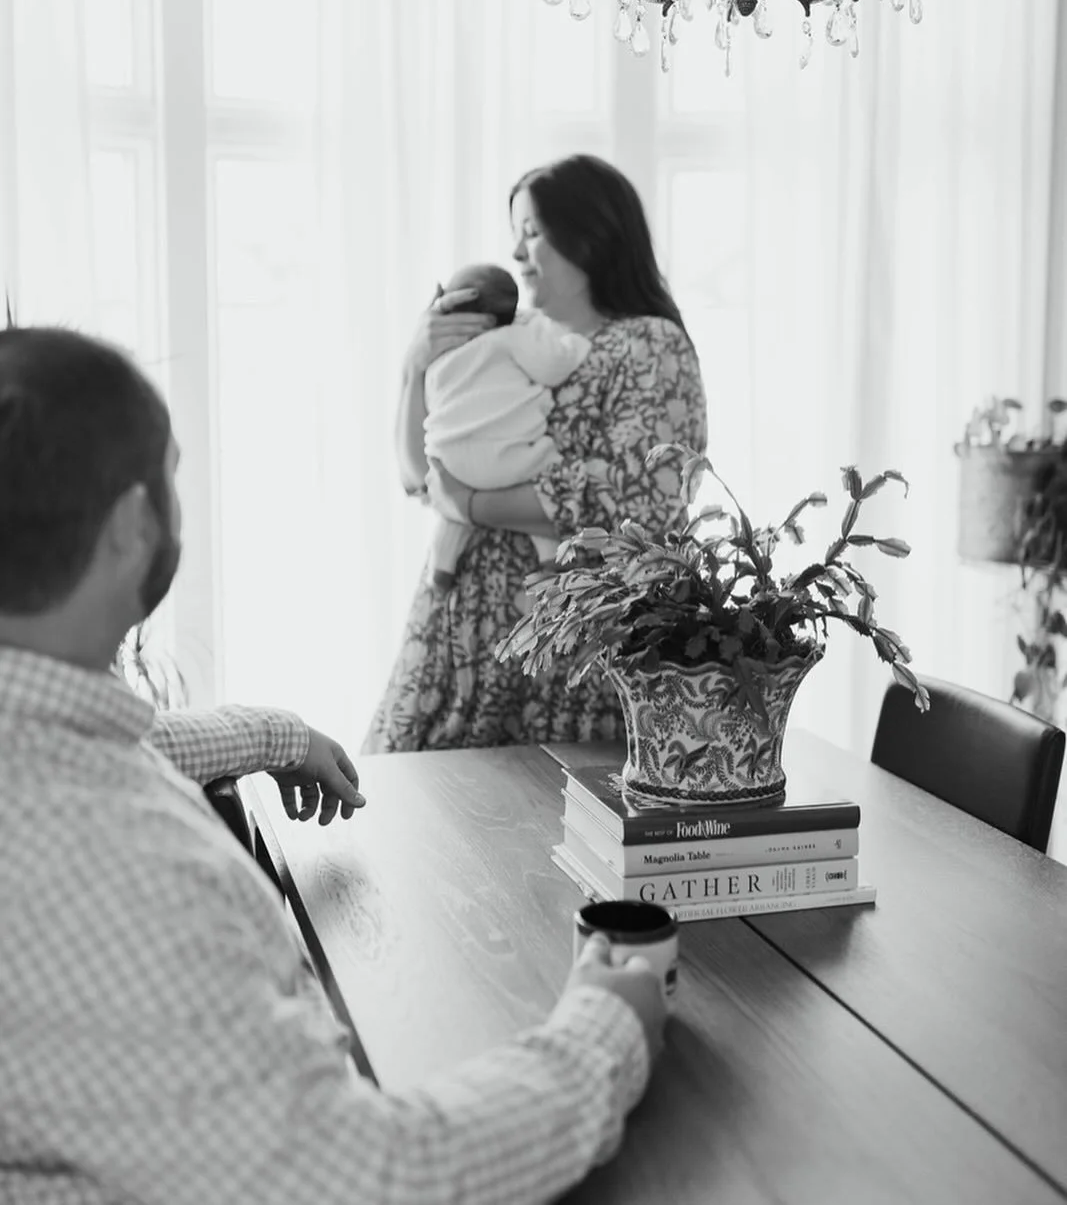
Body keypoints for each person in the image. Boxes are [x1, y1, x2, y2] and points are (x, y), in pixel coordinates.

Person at [0, 324, 666, 1205]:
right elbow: (378, 1178)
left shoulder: (41, 746)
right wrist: (606, 1031)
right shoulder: (110, 873)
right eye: (173, 476)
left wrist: (276, 736)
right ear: (130, 525)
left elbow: (116, 746)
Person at [366, 153, 708, 753]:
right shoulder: (506, 334)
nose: (518, 255)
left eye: (532, 233)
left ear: (590, 234)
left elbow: (640, 503)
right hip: (457, 632)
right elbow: (420, 475)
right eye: (514, 237)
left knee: (544, 828)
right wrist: (412, 369)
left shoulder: (650, 344)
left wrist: (473, 504)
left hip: (568, 651)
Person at [422, 261, 592, 593]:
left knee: (453, 515)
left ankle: (441, 566)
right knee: (551, 473)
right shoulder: (511, 338)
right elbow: (553, 366)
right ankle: (549, 556)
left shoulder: (439, 358)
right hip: (508, 460)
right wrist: (576, 344)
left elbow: (433, 404)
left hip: (450, 463)